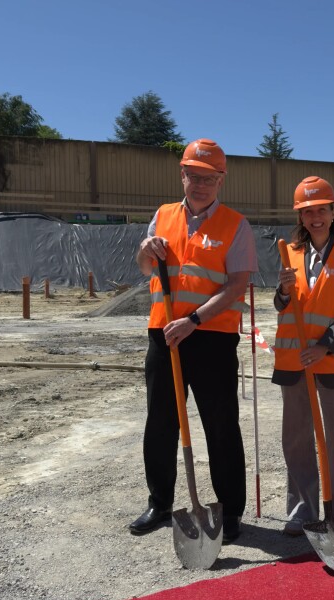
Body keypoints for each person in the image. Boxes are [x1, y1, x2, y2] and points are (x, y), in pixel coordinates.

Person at [129, 138, 258, 544]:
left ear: (221, 180)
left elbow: (237, 286)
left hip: (212, 338)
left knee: (221, 426)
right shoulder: (163, 215)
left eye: (209, 179)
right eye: (193, 176)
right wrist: (144, 248)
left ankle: (231, 510)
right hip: (163, 335)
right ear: (182, 175)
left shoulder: (235, 225)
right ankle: (160, 502)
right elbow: (146, 267)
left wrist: (194, 319)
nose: (200, 185)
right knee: (161, 421)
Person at [273, 176, 334, 538]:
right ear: (300, 215)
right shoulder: (288, 253)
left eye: (321, 210)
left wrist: (325, 345)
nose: (315, 217)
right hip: (294, 360)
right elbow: (281, 304)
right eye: (307, 211)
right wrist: (282, 293)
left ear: (332, 212)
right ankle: (302, 509)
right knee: (296, 437)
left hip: (333, 360)